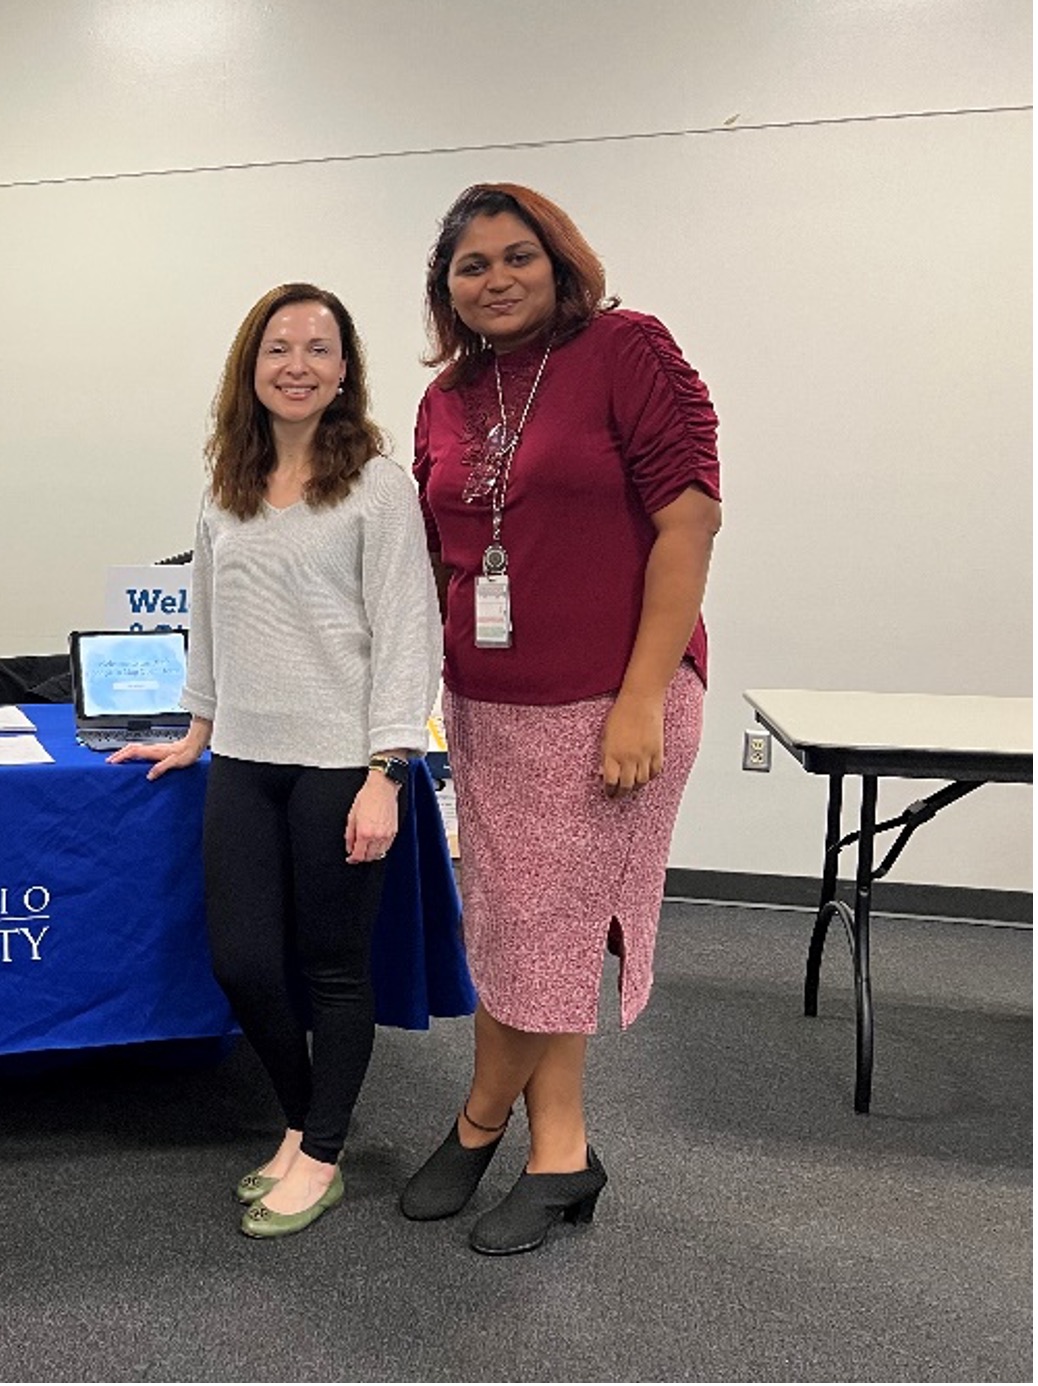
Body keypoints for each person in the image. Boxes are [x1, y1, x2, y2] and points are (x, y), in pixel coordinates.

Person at [402, 182, 721, 1255]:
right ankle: (562, 1150)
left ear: (559, 260)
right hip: (489, 706)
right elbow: (432, 552)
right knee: (518, 923)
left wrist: (641, 696)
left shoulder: (626, 349)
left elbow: (689, 521)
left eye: (514, 257)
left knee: (541, 923)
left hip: (610, 703)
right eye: (470, 266)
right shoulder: (446, 396)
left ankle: (483, 1123)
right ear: (446, 289)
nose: (494, 279)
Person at [113, 283, 440, 1239]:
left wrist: (391, 768)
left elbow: (406, 632)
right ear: (250, 368)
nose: (296, 364)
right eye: (278, 348)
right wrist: (197, 729)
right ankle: (301, 1123)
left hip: (342, 761)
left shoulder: (377, 486)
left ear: (345, 371)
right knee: (244, 961)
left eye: (318, 348)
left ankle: (324, 1152)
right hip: (247, 760)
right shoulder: (228, 483)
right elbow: (210, 621)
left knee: (333, 967)